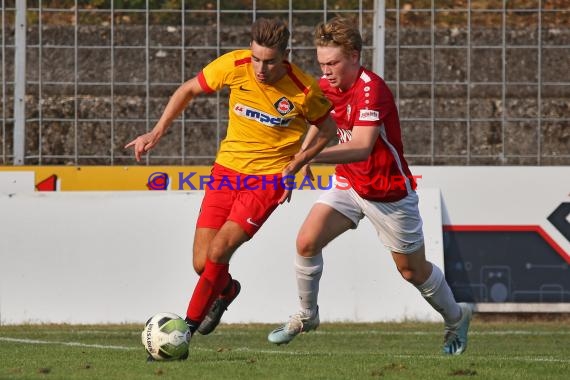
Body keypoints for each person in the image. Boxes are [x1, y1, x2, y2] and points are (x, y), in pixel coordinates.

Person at [125, 18, 337, 346]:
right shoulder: (234, 65)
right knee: (202, 262)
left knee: (220, 249)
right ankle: (228, 290)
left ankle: (184, 332)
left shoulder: (304, 89)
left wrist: (298, 161)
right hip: (226, 172)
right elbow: (188, 89)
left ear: (286, 55)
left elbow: (328, 130)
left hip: (267, 182)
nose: (260, 68)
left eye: (269, 61)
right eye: (256, 58)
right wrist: (156, 132)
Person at [267, 16, 472, 355]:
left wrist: (308, 158)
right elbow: (322, 124)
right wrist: (302, 152)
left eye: (333, 63)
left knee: (412, 271)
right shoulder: (326, 86)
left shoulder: (371, 89)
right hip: (349, 183)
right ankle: (307, 315)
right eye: (321, 63)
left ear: (355, 56)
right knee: (306, 241)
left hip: (388, 193)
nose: (327, 71)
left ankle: (455, 317)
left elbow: (361, 145)